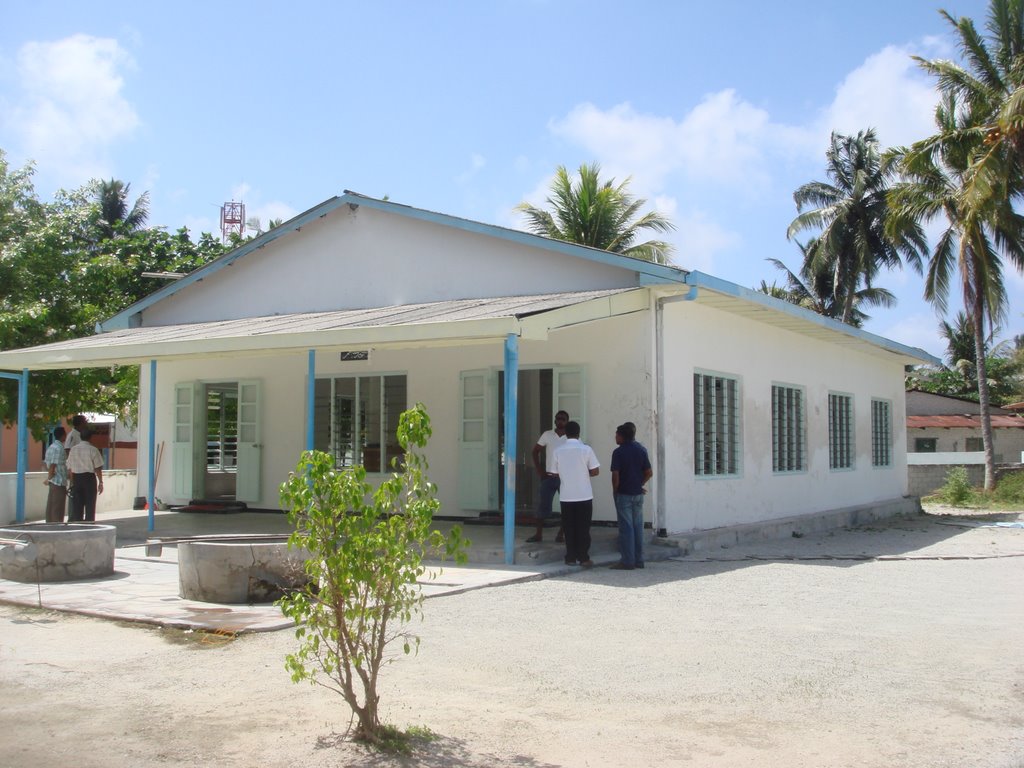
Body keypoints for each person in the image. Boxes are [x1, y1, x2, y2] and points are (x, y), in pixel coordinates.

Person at [552, 420, 599, 567]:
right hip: (584, 494)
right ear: (579, 433)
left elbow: (553, 472)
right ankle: (583, 557)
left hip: (566, 496)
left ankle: (570, 557)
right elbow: (595, 471)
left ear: (565, 433)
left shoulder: (558, 451)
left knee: (569, 527)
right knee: (583, 528)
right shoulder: (586, 450)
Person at [610, 422, 653, 570]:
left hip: (624, 494)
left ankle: (627, 561)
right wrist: (638, 484)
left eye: (617, 434)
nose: (615, 437)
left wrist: (615, 491)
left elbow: (615, 476)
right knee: (637, 527)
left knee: (626, 528)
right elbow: (649, 472)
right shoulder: (641, 449)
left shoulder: (618, 452)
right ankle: (639, 560)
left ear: (622, 436)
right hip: (637, 494)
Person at [527, 410, 569, 543]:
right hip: (549, 477)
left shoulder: (571, 437)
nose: (560, 421)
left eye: (562, 419)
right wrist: (540, 470)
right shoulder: (547, 434)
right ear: (555, 420)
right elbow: (535, 451)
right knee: (542, 506)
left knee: (566, 507)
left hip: (565, 478)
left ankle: (561, 534)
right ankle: (538, 534)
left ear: (567, 421)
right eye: (558, 418)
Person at [67, 429, 104, 522]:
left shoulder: (73, 450)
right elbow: (98, 468)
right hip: (89, 479)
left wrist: (72, 483)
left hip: (77, 478)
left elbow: (70, 468)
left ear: (80, 437)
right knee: (90, 504)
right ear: (90, 437)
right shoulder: (93, 450)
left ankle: (79, 524)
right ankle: (89, 523)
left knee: (77, 505)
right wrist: (101, 482)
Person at [42, 426, 68, 523]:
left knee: (51, 506)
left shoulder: (51, 447)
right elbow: (53, 465)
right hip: (58, 481)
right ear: (62, 435)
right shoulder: (59, 448)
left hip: (54, 481)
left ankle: (49, 525)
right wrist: (49, 478)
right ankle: (56, 526)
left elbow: (47, 464)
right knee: (58, 507)